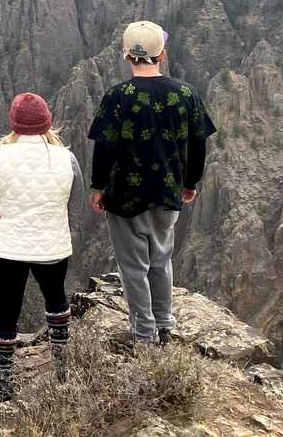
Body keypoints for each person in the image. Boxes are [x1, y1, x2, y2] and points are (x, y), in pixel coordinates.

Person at [87, 20, 217, 346]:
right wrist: (190, 183)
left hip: (125, 198)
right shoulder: (186, 94)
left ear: (125, 55)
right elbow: (199, 143)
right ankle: (164, 324)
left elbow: (104, 147)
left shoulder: (117, 97)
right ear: (162, 53)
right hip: (168, 192)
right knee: (161, 259)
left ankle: (143, 335)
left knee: (133, 267)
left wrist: (98, 186)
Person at [0, 92, 85, 400]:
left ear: (13, 123)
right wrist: (59, 225)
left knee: (6, 313)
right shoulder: (66, 158)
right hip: (52, 247)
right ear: (47, 123)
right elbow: (77, 202)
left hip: (6, 249)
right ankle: (62, 370)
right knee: (56, 301)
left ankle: (3, 380)